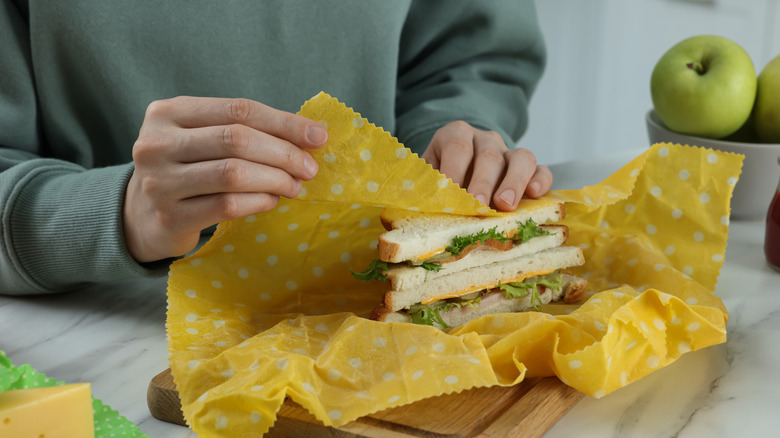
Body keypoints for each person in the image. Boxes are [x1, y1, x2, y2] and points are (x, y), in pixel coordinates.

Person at [0, 1, 550, 295]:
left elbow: (471, 57)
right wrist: (118, 214)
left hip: (373, 303)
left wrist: (450, 136)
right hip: (98, 336)